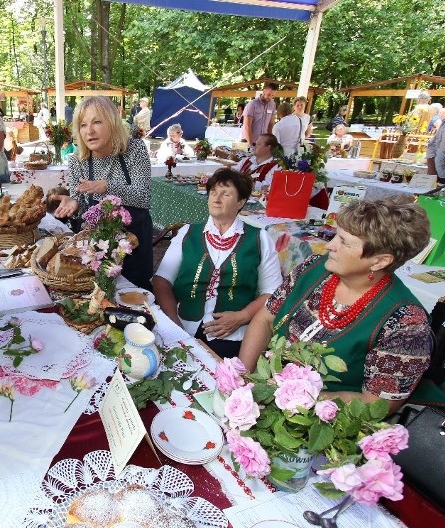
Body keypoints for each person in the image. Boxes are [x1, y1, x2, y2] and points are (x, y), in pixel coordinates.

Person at [239, 198, 432, 414]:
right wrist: (242, 379)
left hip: (319, 420)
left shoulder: (406, 323)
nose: (330, 245)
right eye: (336, 235)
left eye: (344, 241)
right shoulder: (313, 268)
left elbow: (377, 405)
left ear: (379, 261)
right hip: (263, 392)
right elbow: (265, 318)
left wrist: (292, 396)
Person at [153, 168, 281, 358]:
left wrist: (242, 316)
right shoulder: (188, 233)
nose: (216, 198)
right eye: (213, 192)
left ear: (241, 202)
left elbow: (272, 292)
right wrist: (174, 324)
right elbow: (162, 280)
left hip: (232, 334)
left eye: (225, 193)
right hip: (182, 323)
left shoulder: (259, 239)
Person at [51, 95, 154, 290]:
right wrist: (74, 204)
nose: (89, 131)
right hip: (96, 252)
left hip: (134, 248)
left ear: (112, 123)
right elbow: (83, 210)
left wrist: (107, 187)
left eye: (97, 122)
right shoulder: (77, 161)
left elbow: (143, 196)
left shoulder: (135, 149)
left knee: (135, 302)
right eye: (82, 125)